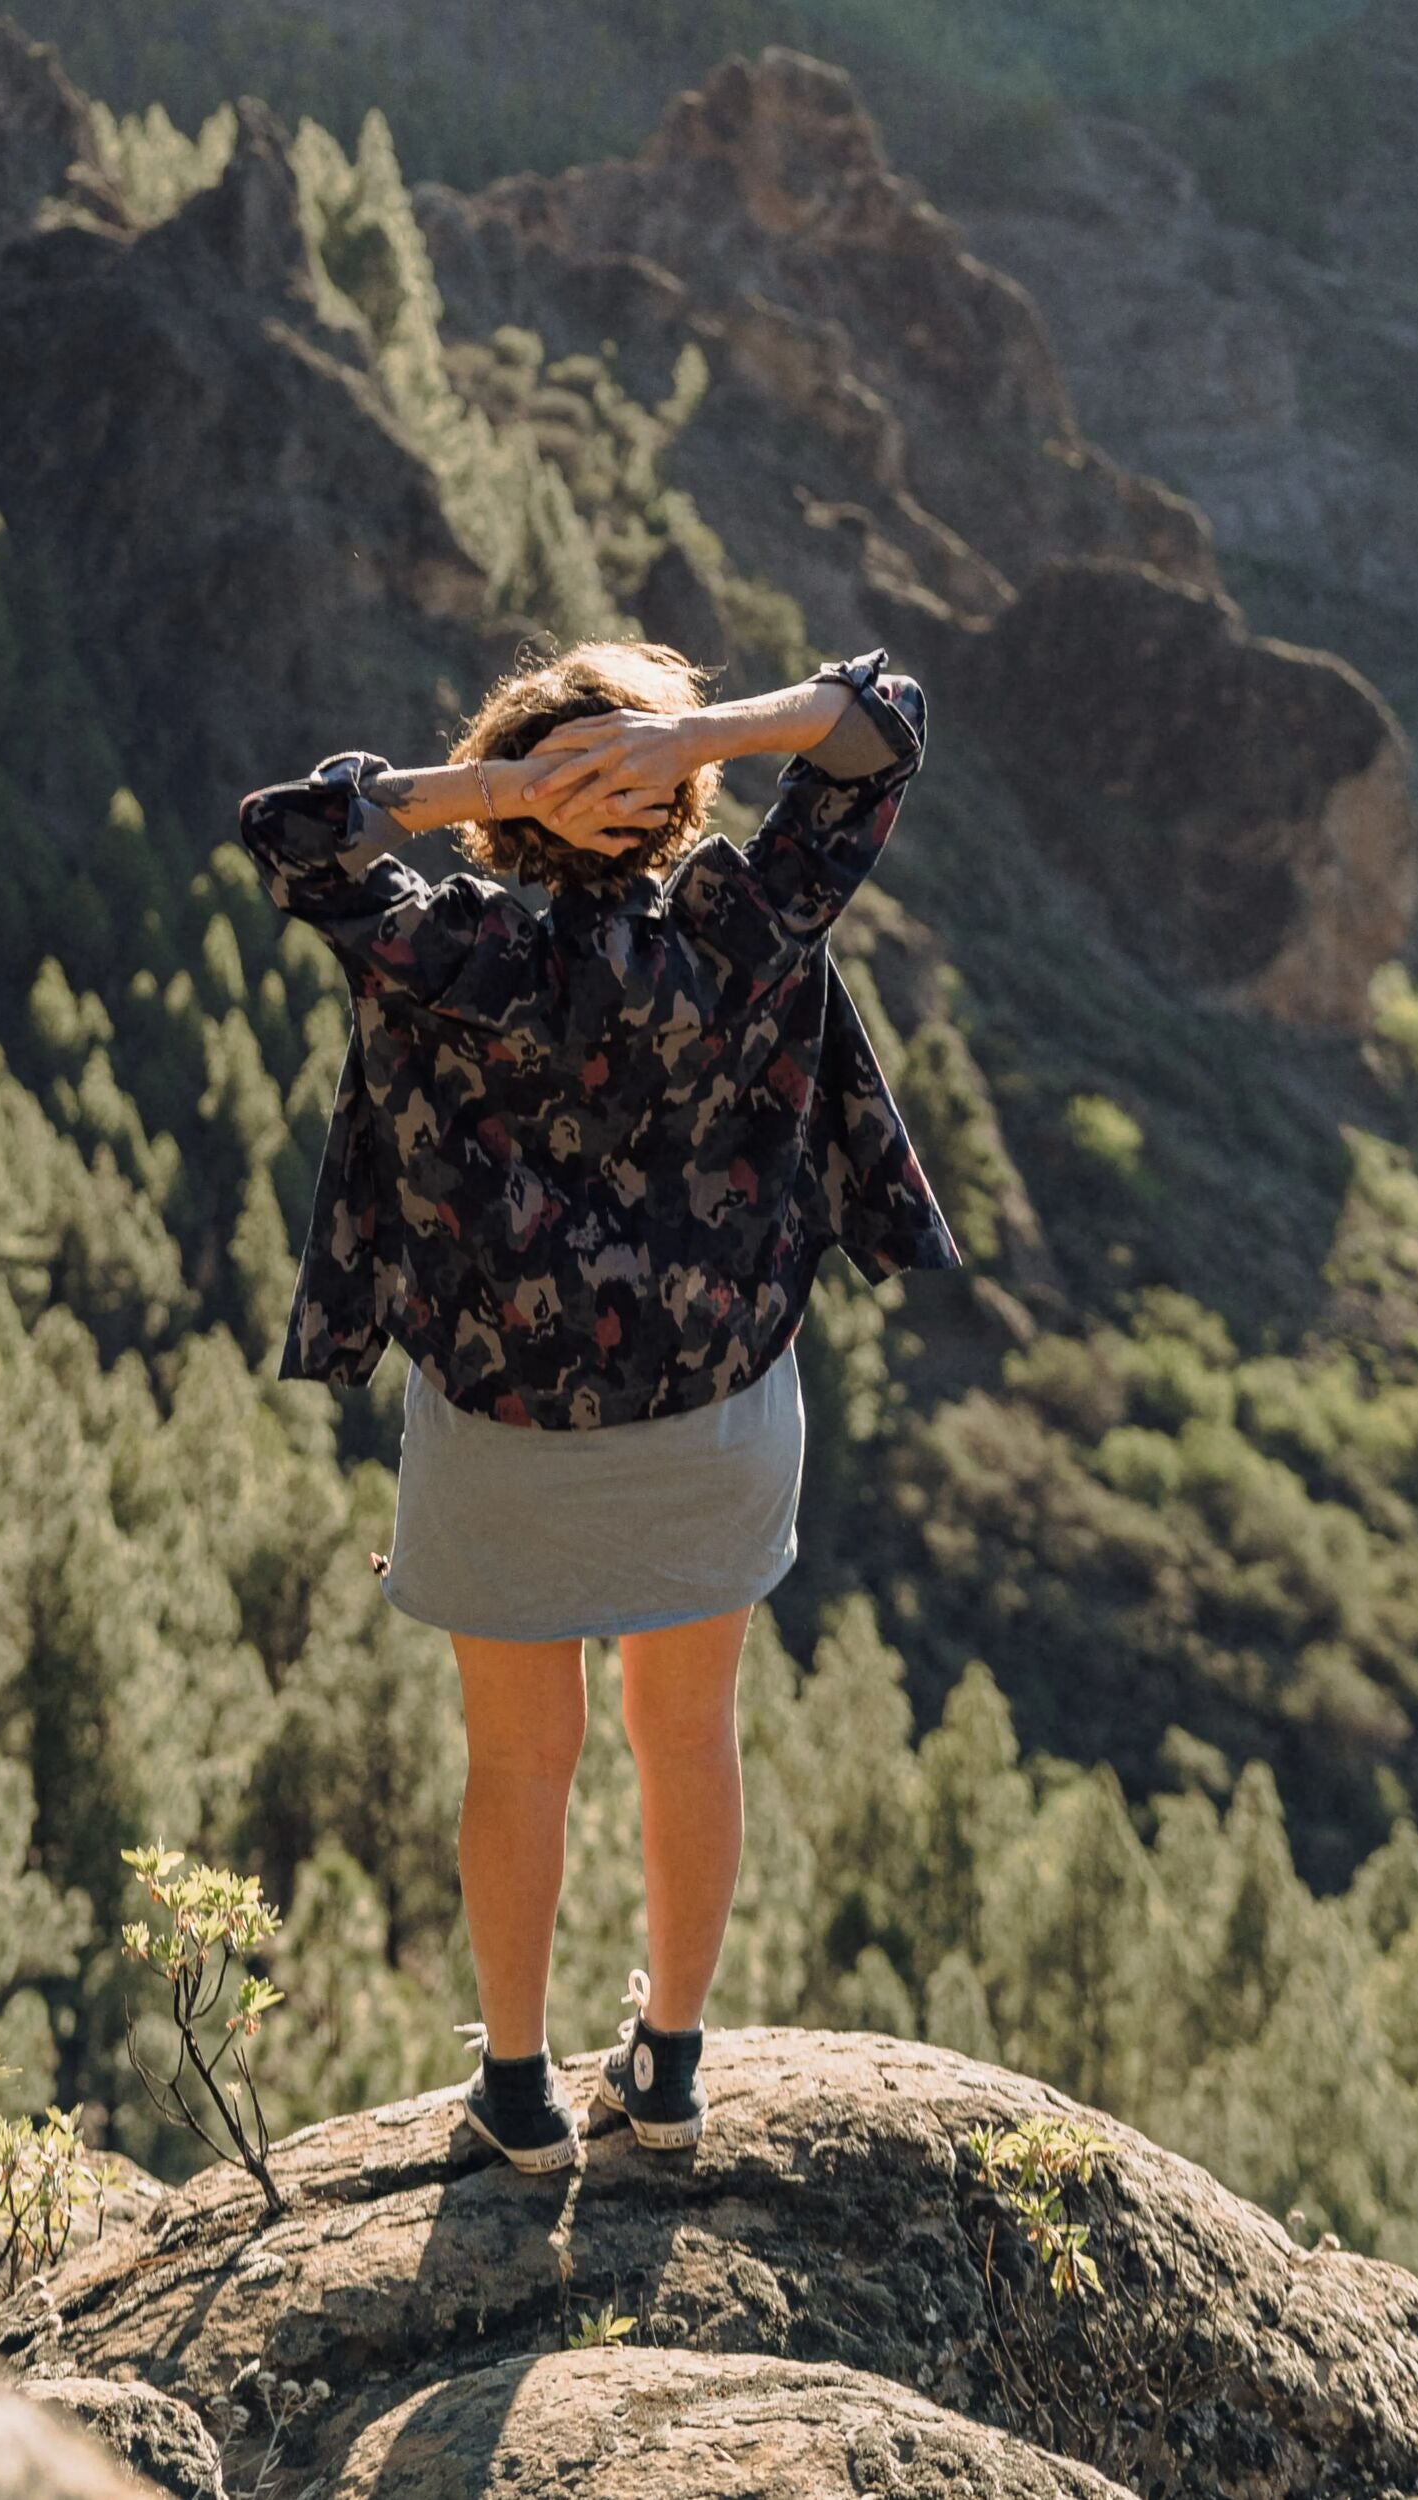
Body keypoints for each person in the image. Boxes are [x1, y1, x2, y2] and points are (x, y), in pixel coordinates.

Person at [238, 641, 961, 2174]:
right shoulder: (749, 921)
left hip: (501, 1430)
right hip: (715, 1410)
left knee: (519, 1762)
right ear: (677, 797)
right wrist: (693, 732)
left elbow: (296, 830)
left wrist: (496, 787)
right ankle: (674, 2067)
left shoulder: (448, 948)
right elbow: (882, 729)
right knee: (690, 1737)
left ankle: (517, 2090)